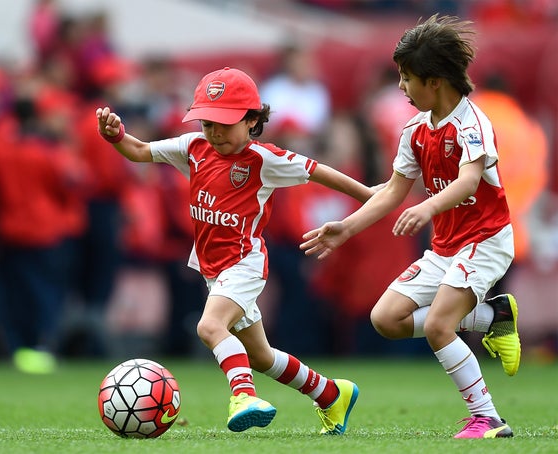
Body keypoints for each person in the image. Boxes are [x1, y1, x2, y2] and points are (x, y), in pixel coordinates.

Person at [96, 67, 371, 435]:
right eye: (207, 123)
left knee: (209, 326)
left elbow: (321, 172)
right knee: (260, 356)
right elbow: (140, 150)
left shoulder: (263, 159)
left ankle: (243, 396)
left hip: (244, 264)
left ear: (253, 120)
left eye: (225, 123)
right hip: (213, 270)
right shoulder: (193, 148)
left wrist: (372, 197)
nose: (215, 132)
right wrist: (116, 136)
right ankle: (331, 394)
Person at [300, 15, 521, 439]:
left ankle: (488, 418)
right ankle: (492, 315)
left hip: (485, 240)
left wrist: (429, 207)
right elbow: (392, 190)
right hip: (445, 247)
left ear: (434, 81)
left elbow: (469, 181)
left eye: (406, 78)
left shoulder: (471, 124)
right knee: (386, 319)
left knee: (438, 326)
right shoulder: (415, 129)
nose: (400, 88)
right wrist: (345, 228)